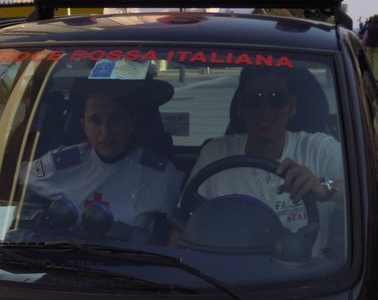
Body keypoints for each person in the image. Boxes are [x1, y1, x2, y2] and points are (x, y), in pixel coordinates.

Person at [184, 66, 343, 255]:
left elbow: (364, 190)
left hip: (304, 276)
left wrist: (324, 188)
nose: (265, 110)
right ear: (240, 108)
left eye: (277, 99)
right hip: (224, 274)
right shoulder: (216, 153)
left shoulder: (319, 148)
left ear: (293, 105)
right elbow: (184, 224)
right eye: (253, 100)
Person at [23, 81, 181, 239]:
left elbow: (178, 231)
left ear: (131, 122)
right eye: (95, 120)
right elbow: (19, 175)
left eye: (115, 119)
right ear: (83, 125)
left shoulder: (161, 175)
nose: (105, 131)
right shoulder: (58, 163)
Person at [362, 14, 378, 80]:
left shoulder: (369, 26)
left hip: (369, 45)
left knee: (370, 62)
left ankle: (370, 76)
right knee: (376, 62)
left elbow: (365, 36)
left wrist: (364, 44)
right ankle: (375, 77)